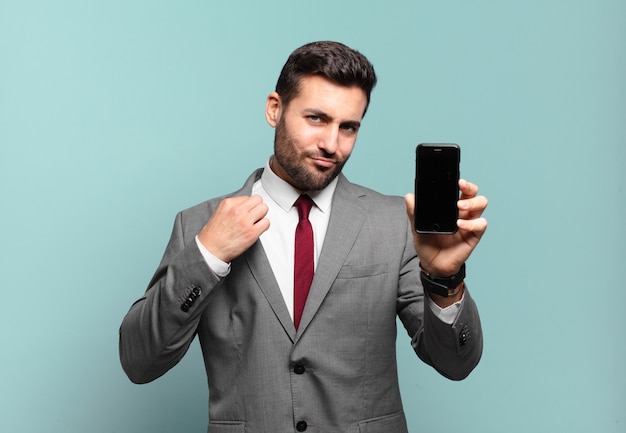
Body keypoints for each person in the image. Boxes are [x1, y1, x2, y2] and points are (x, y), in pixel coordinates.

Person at [119, 40, 488, 433]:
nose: (331, 144)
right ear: (274, 109)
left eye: (348, 127)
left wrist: (445, 282)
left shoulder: (395, 224)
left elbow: (455, 363)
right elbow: (139, 361)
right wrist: (207, 257)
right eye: (316, 118)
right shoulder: (198, 225)